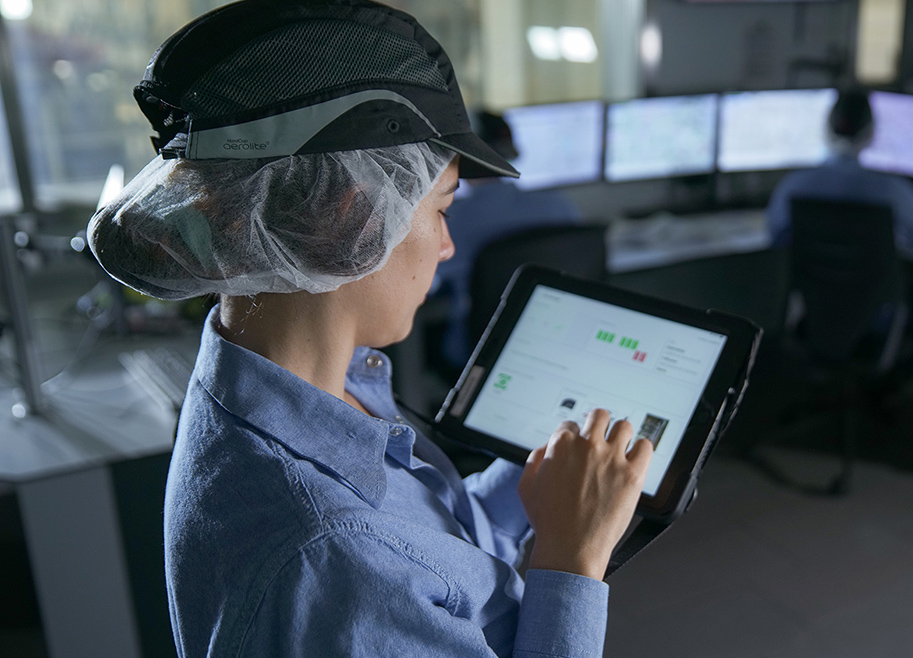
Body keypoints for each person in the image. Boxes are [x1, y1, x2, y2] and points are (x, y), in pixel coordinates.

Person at [86, 1, 652, 656]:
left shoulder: (297, 386)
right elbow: (378, 561)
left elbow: (425, 546)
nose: (447, 247)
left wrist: (544, 483)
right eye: (442, 208)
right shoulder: (332, 559)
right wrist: (572, 558)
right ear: (348, 217)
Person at [766, 87, 913, 387]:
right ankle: (884, 391)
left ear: (826, 129)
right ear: (871, 133)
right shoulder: (891, 191)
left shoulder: (794, 186)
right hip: (873, 314)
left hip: (812, 313)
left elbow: (775, 239)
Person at [435, 110, 583, 367]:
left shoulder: (451, 219)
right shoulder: (558, 205)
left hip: (480, 352)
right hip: (555, 343)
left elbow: (431, 283)